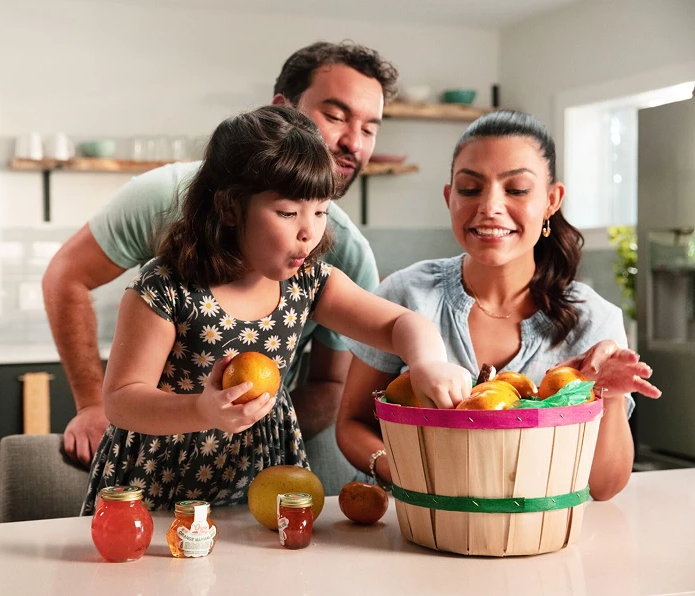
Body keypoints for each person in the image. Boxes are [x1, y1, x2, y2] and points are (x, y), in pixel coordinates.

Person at [43, 41, 398, 494]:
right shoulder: (161, 219)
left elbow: (335, 379)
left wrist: (246, 426)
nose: (354, 142)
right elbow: (67, 278)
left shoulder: (333, 259)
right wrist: (95, 404)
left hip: (247, 476)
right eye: (335, 116)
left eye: (370, 128)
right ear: (282, 112)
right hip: (159, 470)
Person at [80, 105, 472, 512]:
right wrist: (201, 410)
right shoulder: (166, 287)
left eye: (320, 211)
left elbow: (400, 323)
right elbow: (122, 400)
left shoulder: (308, 282)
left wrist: (427, 361)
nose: (309, 231)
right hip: (160, 482)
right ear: (230, 207)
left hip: (260, 479)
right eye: (288, 212)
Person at [336, 110, 661, 501]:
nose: (490, 206)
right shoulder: (406, 293)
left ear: (551, 200)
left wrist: (605, 391)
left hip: (539, 545)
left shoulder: (594, 320)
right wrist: (409, 472)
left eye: (517, 189)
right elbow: (352, 423)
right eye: (470, 189)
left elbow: (604, 486)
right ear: (449, 198)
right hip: (420, 532)